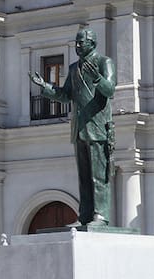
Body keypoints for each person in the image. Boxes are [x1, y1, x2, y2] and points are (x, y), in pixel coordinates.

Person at [29, 28, 116, 226]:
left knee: (98, 177)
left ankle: (100, 216)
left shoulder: (104, 63)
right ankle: (85, 216)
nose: (77, 46)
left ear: (92, 43)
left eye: (81, 42)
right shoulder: (73, 68)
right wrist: (45, 87)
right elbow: (66, 94)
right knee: (83, 178)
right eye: (76, 42)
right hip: (79, 128)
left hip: (98, 128)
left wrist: (97, 78)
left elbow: (110, 89)